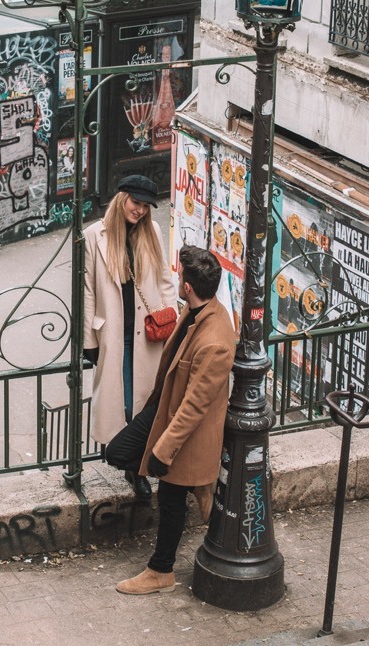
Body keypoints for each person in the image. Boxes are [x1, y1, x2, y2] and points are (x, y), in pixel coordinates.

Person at [105, 245, 235, 596]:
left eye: (181, 277)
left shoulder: (216, 340)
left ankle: (161, 570)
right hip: (163, 409)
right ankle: (198, 486)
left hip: (184, 432)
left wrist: (164, 451)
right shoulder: (196, 311)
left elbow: (194, 407)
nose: (178, 280)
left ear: (188, 286)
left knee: (170, 500)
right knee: (117, 452)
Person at [83, 174, 177, 499]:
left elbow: (165, 280)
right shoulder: (94, 236)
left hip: (148, 335)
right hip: (113, 334)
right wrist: (88, 341)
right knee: (121, 401)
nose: (140, 210)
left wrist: (169, 318)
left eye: (145, 206)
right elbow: (87, 293)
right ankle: (126, 458)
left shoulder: (151, 232)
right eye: (136, 202)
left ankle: (135, 468)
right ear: (122, 198)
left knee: (145, 401)